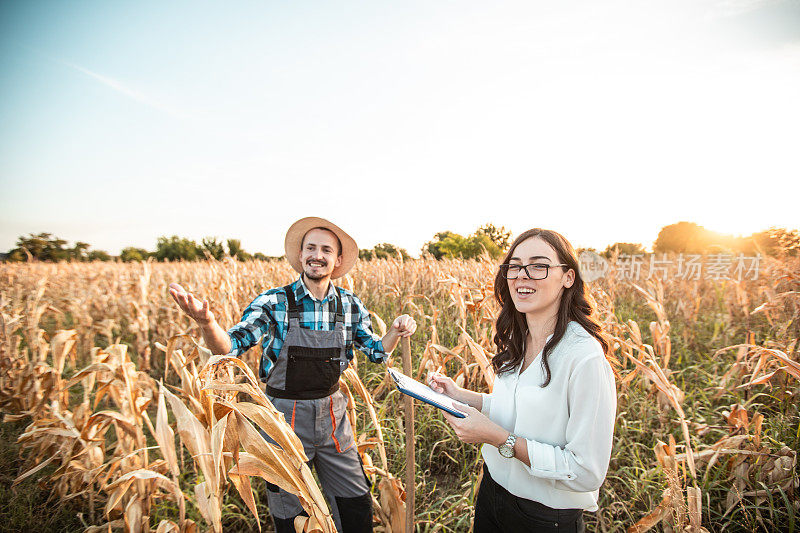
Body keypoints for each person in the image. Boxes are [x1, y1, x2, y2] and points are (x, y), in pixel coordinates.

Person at [168, 217, 416, 533]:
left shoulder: (350, 305)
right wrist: (206, 324)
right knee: (290, 514)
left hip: (333, 418)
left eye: (326, 249)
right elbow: (230, 345)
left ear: (337, 260)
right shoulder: (275, 301)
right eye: (310, 247)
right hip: (283, 420)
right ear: (300, 256)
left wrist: (395, 330)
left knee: (355, 505)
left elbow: (377, 351)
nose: (317, 255)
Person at [428, 228, 616, 533]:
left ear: (568, 277)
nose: (522, 276)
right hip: (492, 493)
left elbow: (586, 471)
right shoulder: (518, 337)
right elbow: (517, 410)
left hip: (544, 517)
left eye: (539, 266)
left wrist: (499, 439)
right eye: (514, 266)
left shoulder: (585, 358)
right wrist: (460, 394)